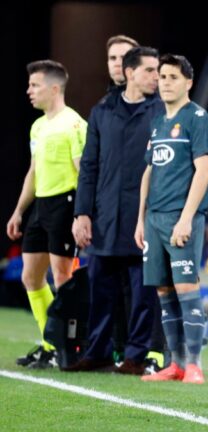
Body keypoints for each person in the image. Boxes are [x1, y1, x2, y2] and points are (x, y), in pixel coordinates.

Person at [68, 43, 208, 374]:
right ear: (131, 73)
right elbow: (90, 165)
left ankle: (149, 357)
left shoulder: (163, 110)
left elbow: (196, 121)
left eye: (162, 73)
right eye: (152, 72)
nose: (158, 79)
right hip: (114, 214)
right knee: (109, 288)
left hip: (159, 214)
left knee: (152, 292)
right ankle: (102, 352)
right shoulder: (104, 110)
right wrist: (83, 211)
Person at [135, 54, 208, 384]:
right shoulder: (157, 122)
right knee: (164, 292)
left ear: (188, 82)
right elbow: (149, 171)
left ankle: (194, 364)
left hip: (181, 219)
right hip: (153, 220)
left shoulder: (198, 118)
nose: (165, 82)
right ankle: (176, 365)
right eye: (162, 77)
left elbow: (204, 169)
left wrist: (185, 219)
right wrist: (140, 219)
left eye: (172, 77)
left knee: (186, 288)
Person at [7, 60, 87, 369]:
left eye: (34, 85)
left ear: (54, 88)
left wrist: (83, 213)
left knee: (64, 277)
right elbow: (33, 171)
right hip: (41, 206)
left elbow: (84, 172)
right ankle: (50, 342)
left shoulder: (75, 124)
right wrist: (18, 211)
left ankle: (69, 345)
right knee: (30, 276)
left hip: (65, 203)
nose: (29, 91)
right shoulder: (37, 126)